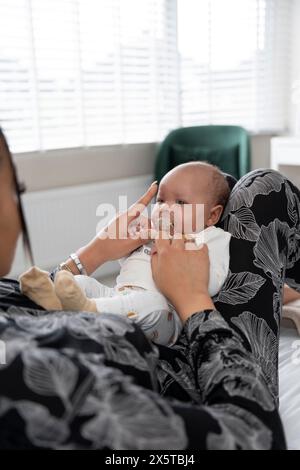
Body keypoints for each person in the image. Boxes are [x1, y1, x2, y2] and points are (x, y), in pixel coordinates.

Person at [0, 126, 298, 449]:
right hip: (196, 371)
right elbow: (255, 439)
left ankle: (278, 289)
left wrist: (95, 252)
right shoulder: (43, 387)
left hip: (155, 320)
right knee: (266, 189)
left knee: (221, 184)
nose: (164, 208)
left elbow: (44, 299)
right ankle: (280, 287)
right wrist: (192, 298)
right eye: (18, 187)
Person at [19, 162, 231, 347]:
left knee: (151, 303)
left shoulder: (210, 237)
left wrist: (184, 266)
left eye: (180, 203)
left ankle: (88, 309)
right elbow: (129, 265)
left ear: (212, 216)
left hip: (165, 315)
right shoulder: (152, 232)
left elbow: (215, 281)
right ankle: (51, 298)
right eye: (161, 201)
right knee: (82, 282)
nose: (165, 209)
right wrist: (132, 243)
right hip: (119, 295)